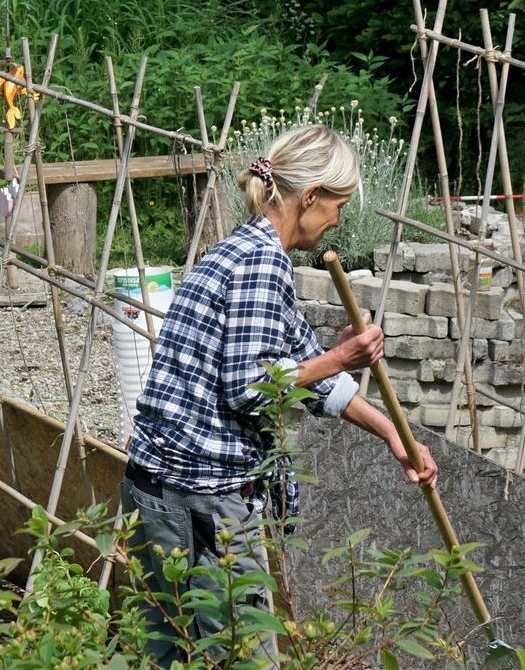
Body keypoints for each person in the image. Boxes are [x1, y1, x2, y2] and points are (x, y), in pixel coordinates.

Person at [120, 124, 439, 664]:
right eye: (338, 203)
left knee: (170, 655)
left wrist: (392, 434)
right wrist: (338, 357)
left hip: (159, 485)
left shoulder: (246, 249)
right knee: (241, 657)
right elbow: (249, 388)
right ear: (311, 197)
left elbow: (311, 376)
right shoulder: (260, 264)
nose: (339, 219)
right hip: (197, 496)